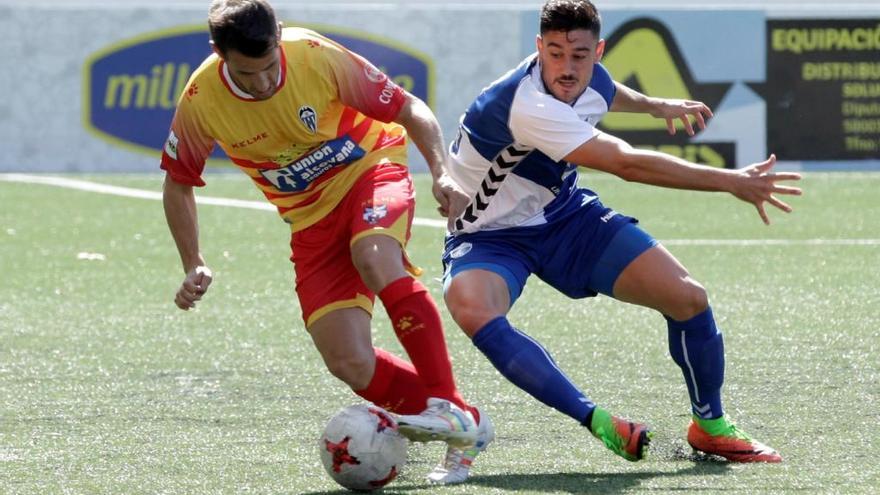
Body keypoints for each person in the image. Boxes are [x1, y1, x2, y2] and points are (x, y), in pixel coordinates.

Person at [439, 0, 801, 473]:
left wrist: (654, 105)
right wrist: (730, 180)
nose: (566, 68)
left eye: (579, 55)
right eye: (553, 53)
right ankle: (596, 419)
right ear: (537, 48)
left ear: (598, 51)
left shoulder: (588, 77)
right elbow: (627, 164)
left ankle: (710, 427)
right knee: (472, 309)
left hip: (564, 216)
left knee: (688, 298)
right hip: (490, 235)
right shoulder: (528, 104)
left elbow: (606, 90)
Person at [159, 0, 492, 483]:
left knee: (374, 255)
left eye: (271, 66)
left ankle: (443, 402)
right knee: (348, 360)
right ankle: (466, 423)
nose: (264, 82)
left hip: (371, 171)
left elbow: (408, 108)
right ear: (218, 52)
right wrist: (193, 261)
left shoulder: (314, 54)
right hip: (310, 221)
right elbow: (178, 181)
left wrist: (440, 173)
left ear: (278, 36)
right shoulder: (200, 98)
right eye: (248, 74)